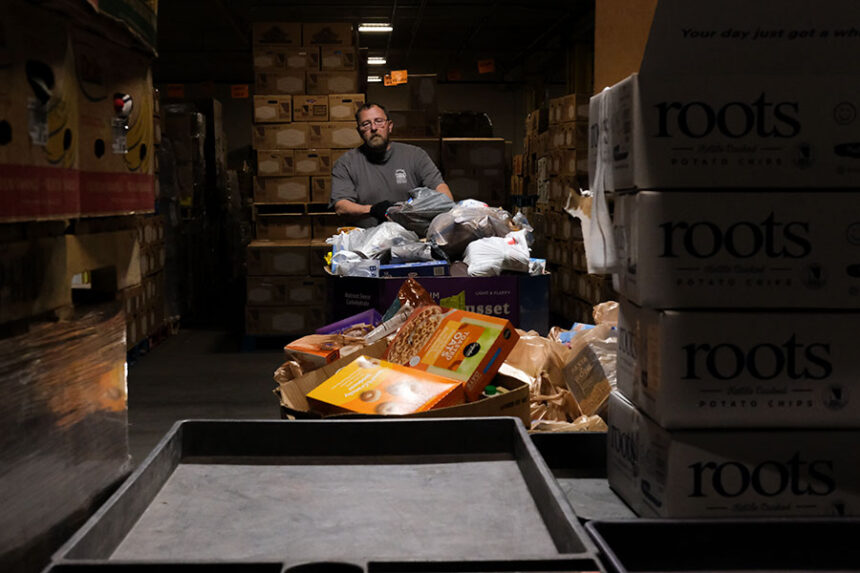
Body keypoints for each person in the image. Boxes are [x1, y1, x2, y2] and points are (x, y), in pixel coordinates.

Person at [330, 103, 453, 227]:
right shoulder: (346, 163)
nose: (373, 128)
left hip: (412, 238)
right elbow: (341, 206)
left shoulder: (415, 155)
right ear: (359, 131)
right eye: (366, 124)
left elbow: (442, 191)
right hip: (365, 240)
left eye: (379, 121)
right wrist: (372, 210)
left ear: (389, 126)